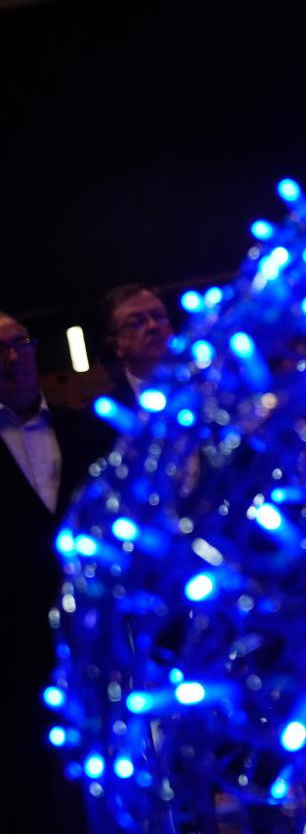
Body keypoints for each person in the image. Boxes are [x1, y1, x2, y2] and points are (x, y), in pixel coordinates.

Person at [0, 310, 119, 831]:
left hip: (98, 639)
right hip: (14, 651)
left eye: (18, 345)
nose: (10, 359)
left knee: (110, 774)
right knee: (31, 790)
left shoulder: (87, 432)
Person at [98, 282, 173, 406]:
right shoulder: (111, 408)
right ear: (116, 345)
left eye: (158, 316)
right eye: (136, 323)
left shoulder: (206, 384)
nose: (152, 326)